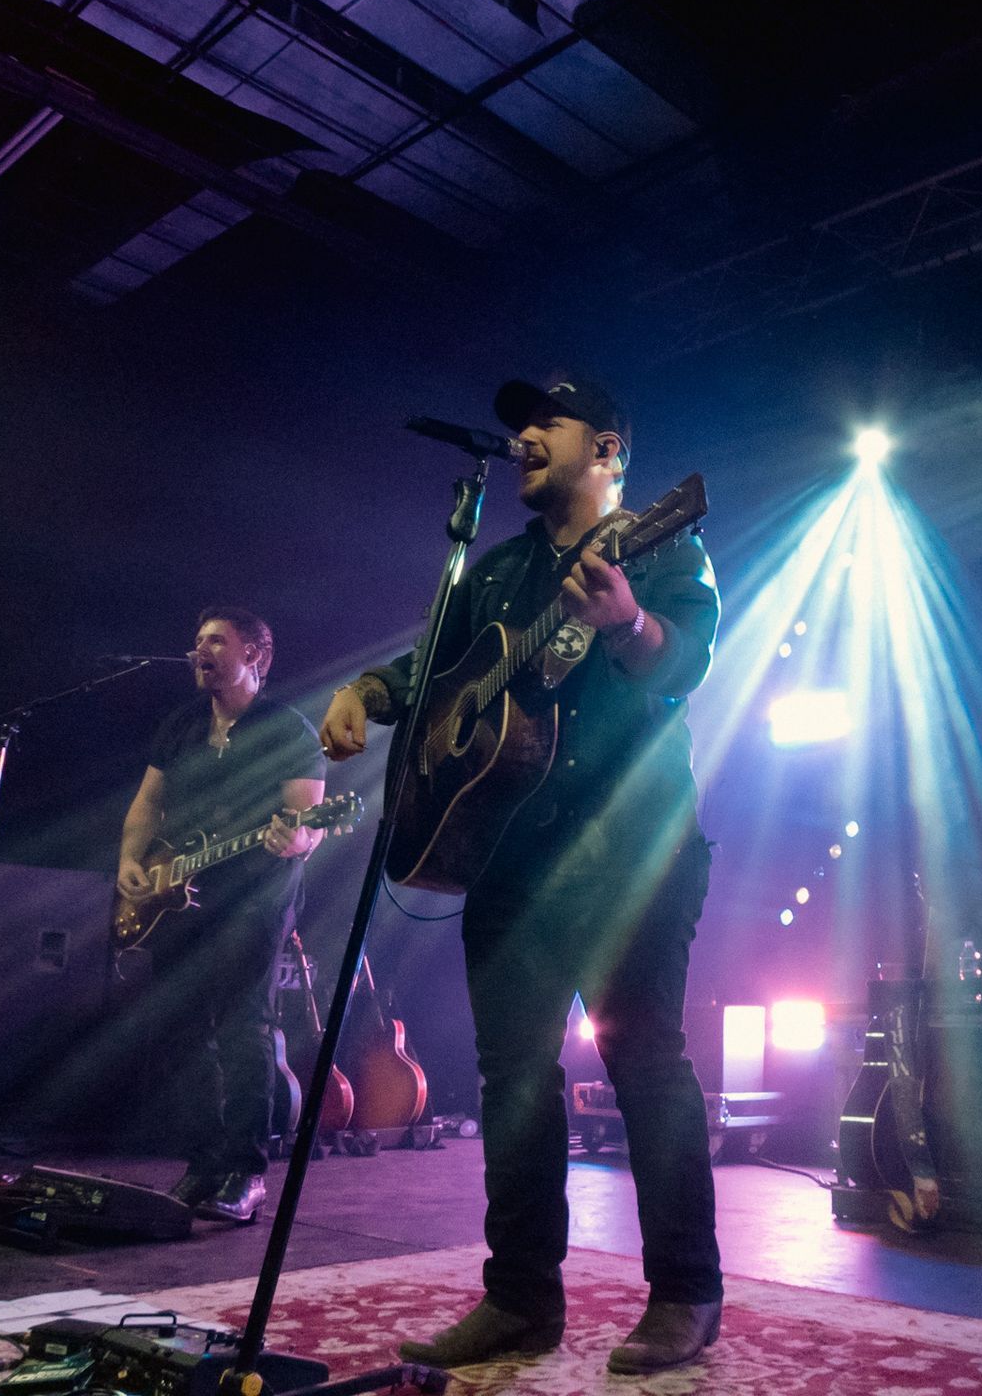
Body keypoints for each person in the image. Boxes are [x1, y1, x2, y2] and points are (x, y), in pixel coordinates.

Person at [319, 373, 723, 1374]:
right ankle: (520, 1300)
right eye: (520, 424)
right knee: (510, 1083)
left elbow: (690, 666)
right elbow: (434, 674)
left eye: (551, 420)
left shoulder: (667, 540)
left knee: (645, 1062)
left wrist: (629, 623)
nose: (528, 435)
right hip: (510, 855)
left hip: (634, 851)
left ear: (610, 451)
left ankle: (685, 1292)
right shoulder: (494, 572)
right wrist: (368, 690)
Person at [117, 606, 326, 1223]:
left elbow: (309, 821)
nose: (198, 650)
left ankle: (245, 1170)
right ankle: (203, 1164)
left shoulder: (287, 728)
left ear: (254, 655)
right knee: (181, 1029)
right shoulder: (181, 724)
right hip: (177, 894)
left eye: (214, 640)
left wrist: (298, 839)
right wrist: (132, 860)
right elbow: (147, 805)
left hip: (256, 897)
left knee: (243, 1028)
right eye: (196, 640)